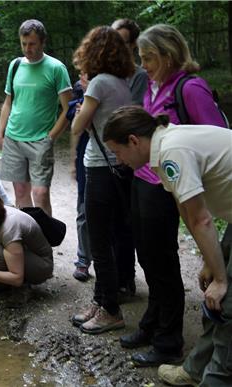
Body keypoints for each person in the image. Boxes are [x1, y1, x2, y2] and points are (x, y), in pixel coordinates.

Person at [117, 24, 227, 368]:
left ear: (169, 54)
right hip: (148, 181)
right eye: (141, 57)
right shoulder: (153, 86)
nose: (143, 64)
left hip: (174, 186)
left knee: (164, 263)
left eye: (148, 57)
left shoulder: (190, 88)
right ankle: (152, 324)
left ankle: (169, 341)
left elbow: (215, 137)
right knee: (148, 258)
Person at [103, 105, 232, 386]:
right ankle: (196, 369)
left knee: (228, 304)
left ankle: (216, 379)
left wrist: (221, 278)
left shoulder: (172, 151)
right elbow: (186, 210)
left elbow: (201, 220)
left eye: (118, 151)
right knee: (216, 302)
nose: (119, 159)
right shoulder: (162, 150)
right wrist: (211, 263)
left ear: (134, 140)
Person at [69, 26, 135, 334]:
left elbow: (77, 126)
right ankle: (100, 300)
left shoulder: (97, 84)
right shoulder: (121, 83)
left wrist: (83, 96)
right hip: (118, 167)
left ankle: (111, 309)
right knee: (109, 235)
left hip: (99, 167)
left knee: (99, 240)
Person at [0, 19, 72, 214]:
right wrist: (0, 130)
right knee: (20, 191)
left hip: (41, 140)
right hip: (14, 138)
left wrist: (51, 137)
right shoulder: (15, 65)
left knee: (40, 193)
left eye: (32, 44)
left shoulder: (56, 68)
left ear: (42, 42)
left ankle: (45, 240)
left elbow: (68, 108)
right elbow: (8, 101)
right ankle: (29, 238)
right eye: (24, 44)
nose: (27, 49)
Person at [67, 73, 92, 282]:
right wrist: (73, 158)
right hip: (86, 158)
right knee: (83, 211)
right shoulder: (78, 90)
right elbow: (74, 128)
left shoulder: (112, 85)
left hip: (111, 160)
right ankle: (83, 261)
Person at [111, 18, 148, 105]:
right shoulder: (103, 74)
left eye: (121, 42)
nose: (114, 47)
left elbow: (132, 114)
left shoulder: (140, 76)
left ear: (133, 44)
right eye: (111, 42)